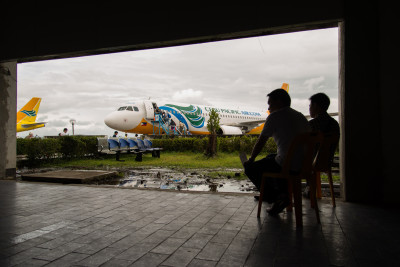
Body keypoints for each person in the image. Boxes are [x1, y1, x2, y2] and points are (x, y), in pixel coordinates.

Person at [243, 88, 311, 215]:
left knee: (251, 168)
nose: (268, 107)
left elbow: (261, 142)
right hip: (303, 165)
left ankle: (276, 197)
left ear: (279, 102)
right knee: (271, 157)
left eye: (270, 103)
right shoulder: (300, 116)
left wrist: (251, 159)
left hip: (288, 166)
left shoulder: (274, 116)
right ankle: (280, 194)